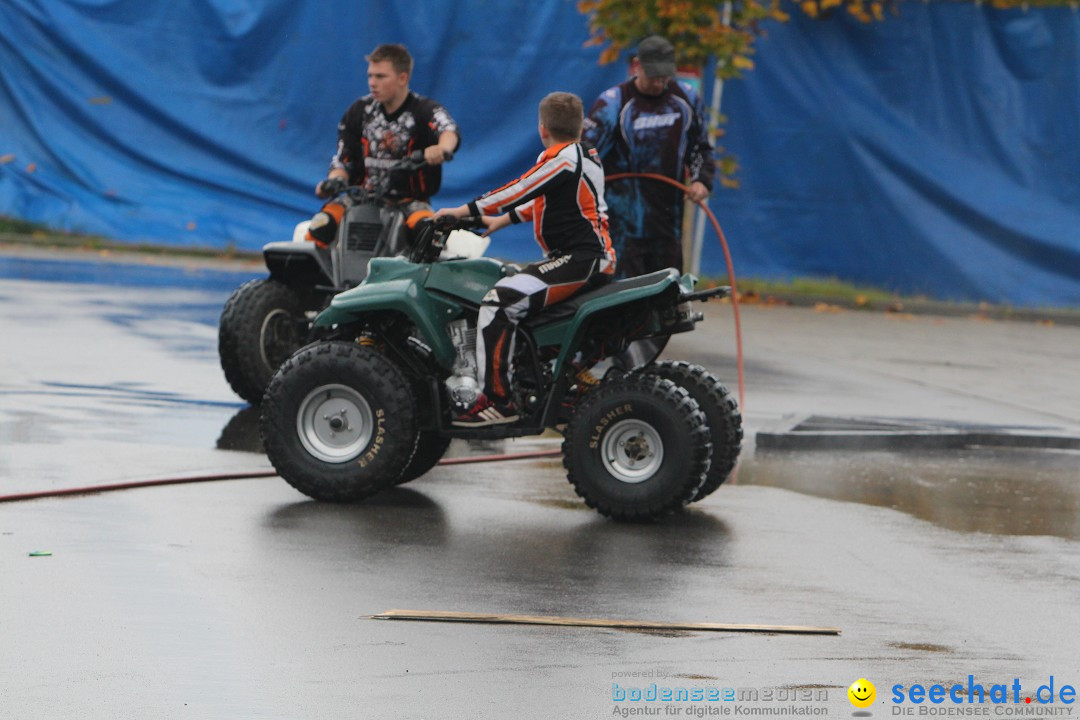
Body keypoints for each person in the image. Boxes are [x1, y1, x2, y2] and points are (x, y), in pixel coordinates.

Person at [435, 92, 616, 427]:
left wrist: (460, 211)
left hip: (581, 259)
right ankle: (532, 377)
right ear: (579, 126)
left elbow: (518, 189)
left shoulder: (561, 159)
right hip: (586, 258)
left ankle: (499, 402)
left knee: (498, 303)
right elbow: (547, 201)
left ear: (542, 127)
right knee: (511, 287)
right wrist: (499, 221)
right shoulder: (583, 154)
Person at [583, 35, 714, 278]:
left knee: (668, 296)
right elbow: (584, 156)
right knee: (626, 300)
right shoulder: (612, 104)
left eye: (665, 76)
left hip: (668, 223)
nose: (659, 82)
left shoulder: (686, 99)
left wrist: (701, 180)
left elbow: (700, 147)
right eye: (653, 75)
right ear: (637, 66)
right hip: (620, 225)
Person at [306, 43, 460, 247]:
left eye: (380, 77)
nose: (372, 83)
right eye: (370, 76)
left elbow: (449, 130)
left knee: (428, 236)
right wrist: (334, 181)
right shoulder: (359, 111)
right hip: (361, 199)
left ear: (402, 78)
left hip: (409, 204)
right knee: (320, 227)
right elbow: (344, 160)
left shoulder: (424, 109)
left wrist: (442, 149)